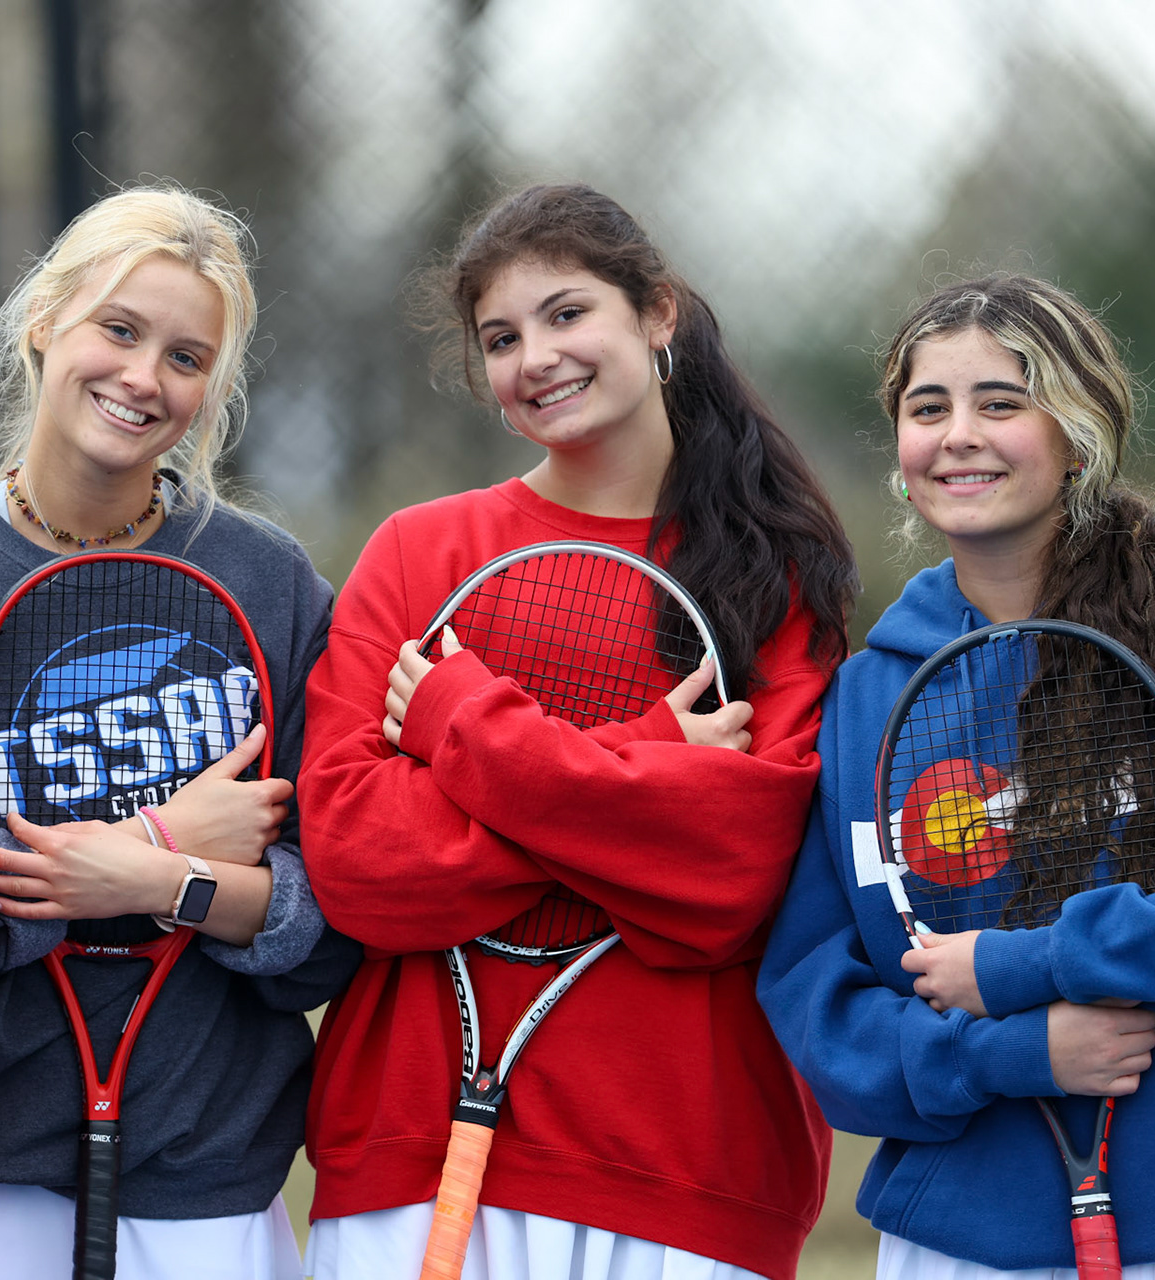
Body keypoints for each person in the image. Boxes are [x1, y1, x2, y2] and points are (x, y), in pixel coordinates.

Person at [297, 183, 858, 1280]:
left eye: (566, 314)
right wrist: (650, 761)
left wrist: (462, 724)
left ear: (657, 313)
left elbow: (735, 871)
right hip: (418, 1148)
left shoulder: (776, 574)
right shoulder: (419, 553)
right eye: (500, 338)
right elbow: (358, 860)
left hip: (690, 1167)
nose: (534, 357)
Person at [0, 184, 358, 1280]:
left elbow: (333, 919)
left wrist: (153, 881)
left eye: (188, 356)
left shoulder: (273, 583)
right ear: (42, 323)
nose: (144, 377)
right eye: (119, 329)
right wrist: (170, 841)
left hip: (210, 1167)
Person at [757, 272, 1155, 1275]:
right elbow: (817, 1000)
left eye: (1001, 402)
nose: (958, 433)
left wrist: (1033, 964)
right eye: (927, 408)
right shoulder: (863, 701)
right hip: (961, 1243)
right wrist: (1013, 1051)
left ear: (1079, 434)